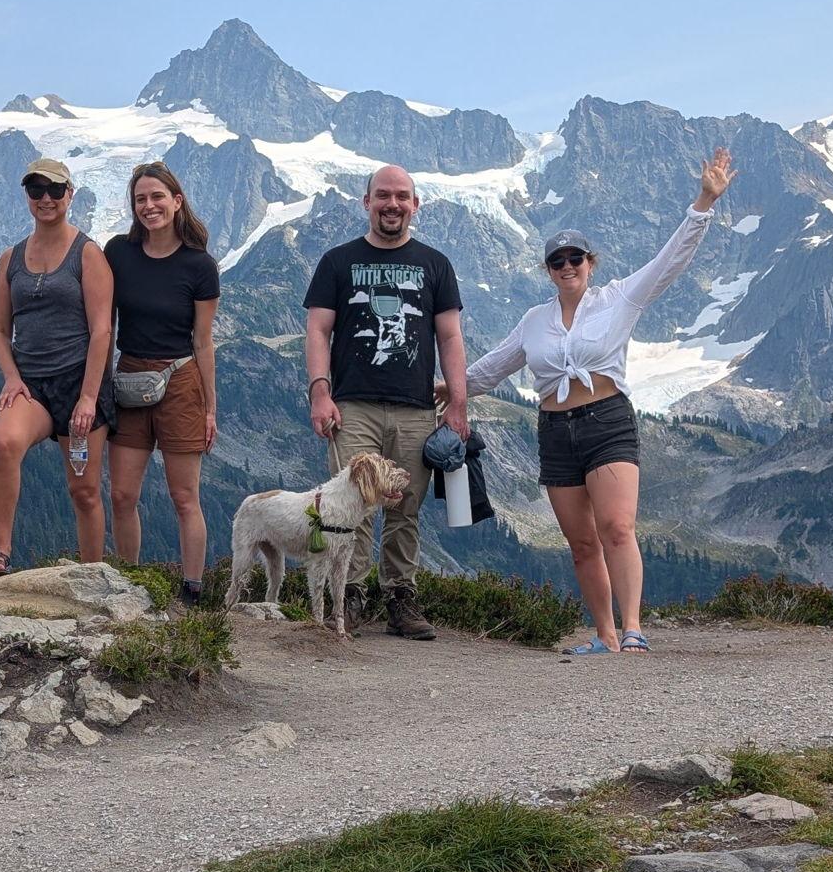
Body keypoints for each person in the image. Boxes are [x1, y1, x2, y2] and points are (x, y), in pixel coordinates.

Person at [460, 149, 736, 656]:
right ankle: (604, 634)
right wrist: (447, 390)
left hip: (607, 420)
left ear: (590, 264)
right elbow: (491, 368)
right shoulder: (533, 320)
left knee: (616, 527)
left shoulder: (620, 298)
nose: (567, 267)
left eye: (575, 259)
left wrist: (703, 202)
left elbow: (670, 261)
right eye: (557, 261)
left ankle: (632, 628)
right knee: (582, 543)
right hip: (555, 431)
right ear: (549, 271)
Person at [303, 165, 467, 640]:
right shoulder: (338, 261)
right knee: (350, 506)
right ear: (366, 202)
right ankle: (348, 597)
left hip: (417, 407)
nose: (392, 205)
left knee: (404, 508)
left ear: (416, 205)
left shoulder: (435, 264)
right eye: (382, 196)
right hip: (352, 404)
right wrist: (320, 391)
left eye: (401, 197)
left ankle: (400, 598)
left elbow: (451, 336)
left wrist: (457, 404)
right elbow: (317, 329)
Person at [0, 158, 115, 577]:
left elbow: (101, 332)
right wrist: (12, 377)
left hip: (80, 385)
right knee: (3, 444)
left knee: (85, 490)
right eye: (36, 190)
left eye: (55, 190)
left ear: (69, 195)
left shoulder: (88, 253)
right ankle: (1, 554)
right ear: (27, 196)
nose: (46, 198)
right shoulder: (11, 258)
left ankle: (93, 574)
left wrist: (89, 396)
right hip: (32, 385)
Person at [106, 162, 220, 603]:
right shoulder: (118, 252)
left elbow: (204, 342)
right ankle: (128, 584)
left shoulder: (200, 266)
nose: (149, 206)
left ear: (177, 201)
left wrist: (210, 407)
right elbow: (105, 323)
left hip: (181, 379)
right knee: (121, 494)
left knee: (183, 496)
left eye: (157, 197)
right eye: (140, 199)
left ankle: (192, 588)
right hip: (130, 376)